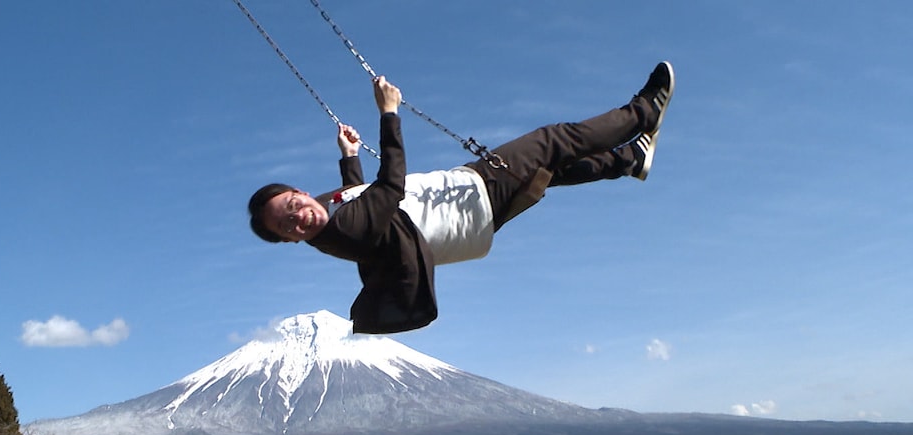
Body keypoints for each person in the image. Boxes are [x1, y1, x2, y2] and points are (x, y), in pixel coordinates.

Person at [247, 62, 675, 334]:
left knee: (549, 172)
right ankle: (644, 112)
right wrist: (388, 112)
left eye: (290, 208)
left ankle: (629, 160)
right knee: (553, 141)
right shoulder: (344, 231)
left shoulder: (331, 223)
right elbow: (390, 185)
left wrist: (349, 158)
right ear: (291, 241)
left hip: (467, 211)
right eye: (287, 227)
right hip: (471, 202)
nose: (297, 218)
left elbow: (357, 197)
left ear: (297, 192)